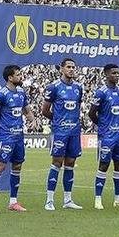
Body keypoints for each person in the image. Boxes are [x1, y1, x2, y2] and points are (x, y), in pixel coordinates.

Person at [0, 64, 33, 214]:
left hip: (19, 136)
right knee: (0, 166)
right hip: (5, 136)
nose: (20, 76)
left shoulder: (21, 92)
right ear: (10, 77)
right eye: (18, 74)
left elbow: (25, 109)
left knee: (17, 167)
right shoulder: (1, 95)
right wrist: (0, 130)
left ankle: (13, 201)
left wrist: (30, 115)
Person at [41, 58, 84, 211]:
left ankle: (67, 200)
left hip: (74, 131)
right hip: (60, 132)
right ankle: (49, 200)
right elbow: (45, 110)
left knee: (70, 164)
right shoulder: (54, 87)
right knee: (57, 162)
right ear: (61, 69)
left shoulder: (79, 87)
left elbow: (77, 107)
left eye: (73, 67)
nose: (71, 69)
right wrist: (58, 120)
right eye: (68, 67)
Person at [89, 63, 119, 209]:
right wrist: (102, 126)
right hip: (106, 136)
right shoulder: (101, 92)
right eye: (113, 73)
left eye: (118, 73)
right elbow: (91, 113)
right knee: (104, 165)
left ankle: (118, 198)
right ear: (106, 75)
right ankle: (98, 198)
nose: (116, 76)